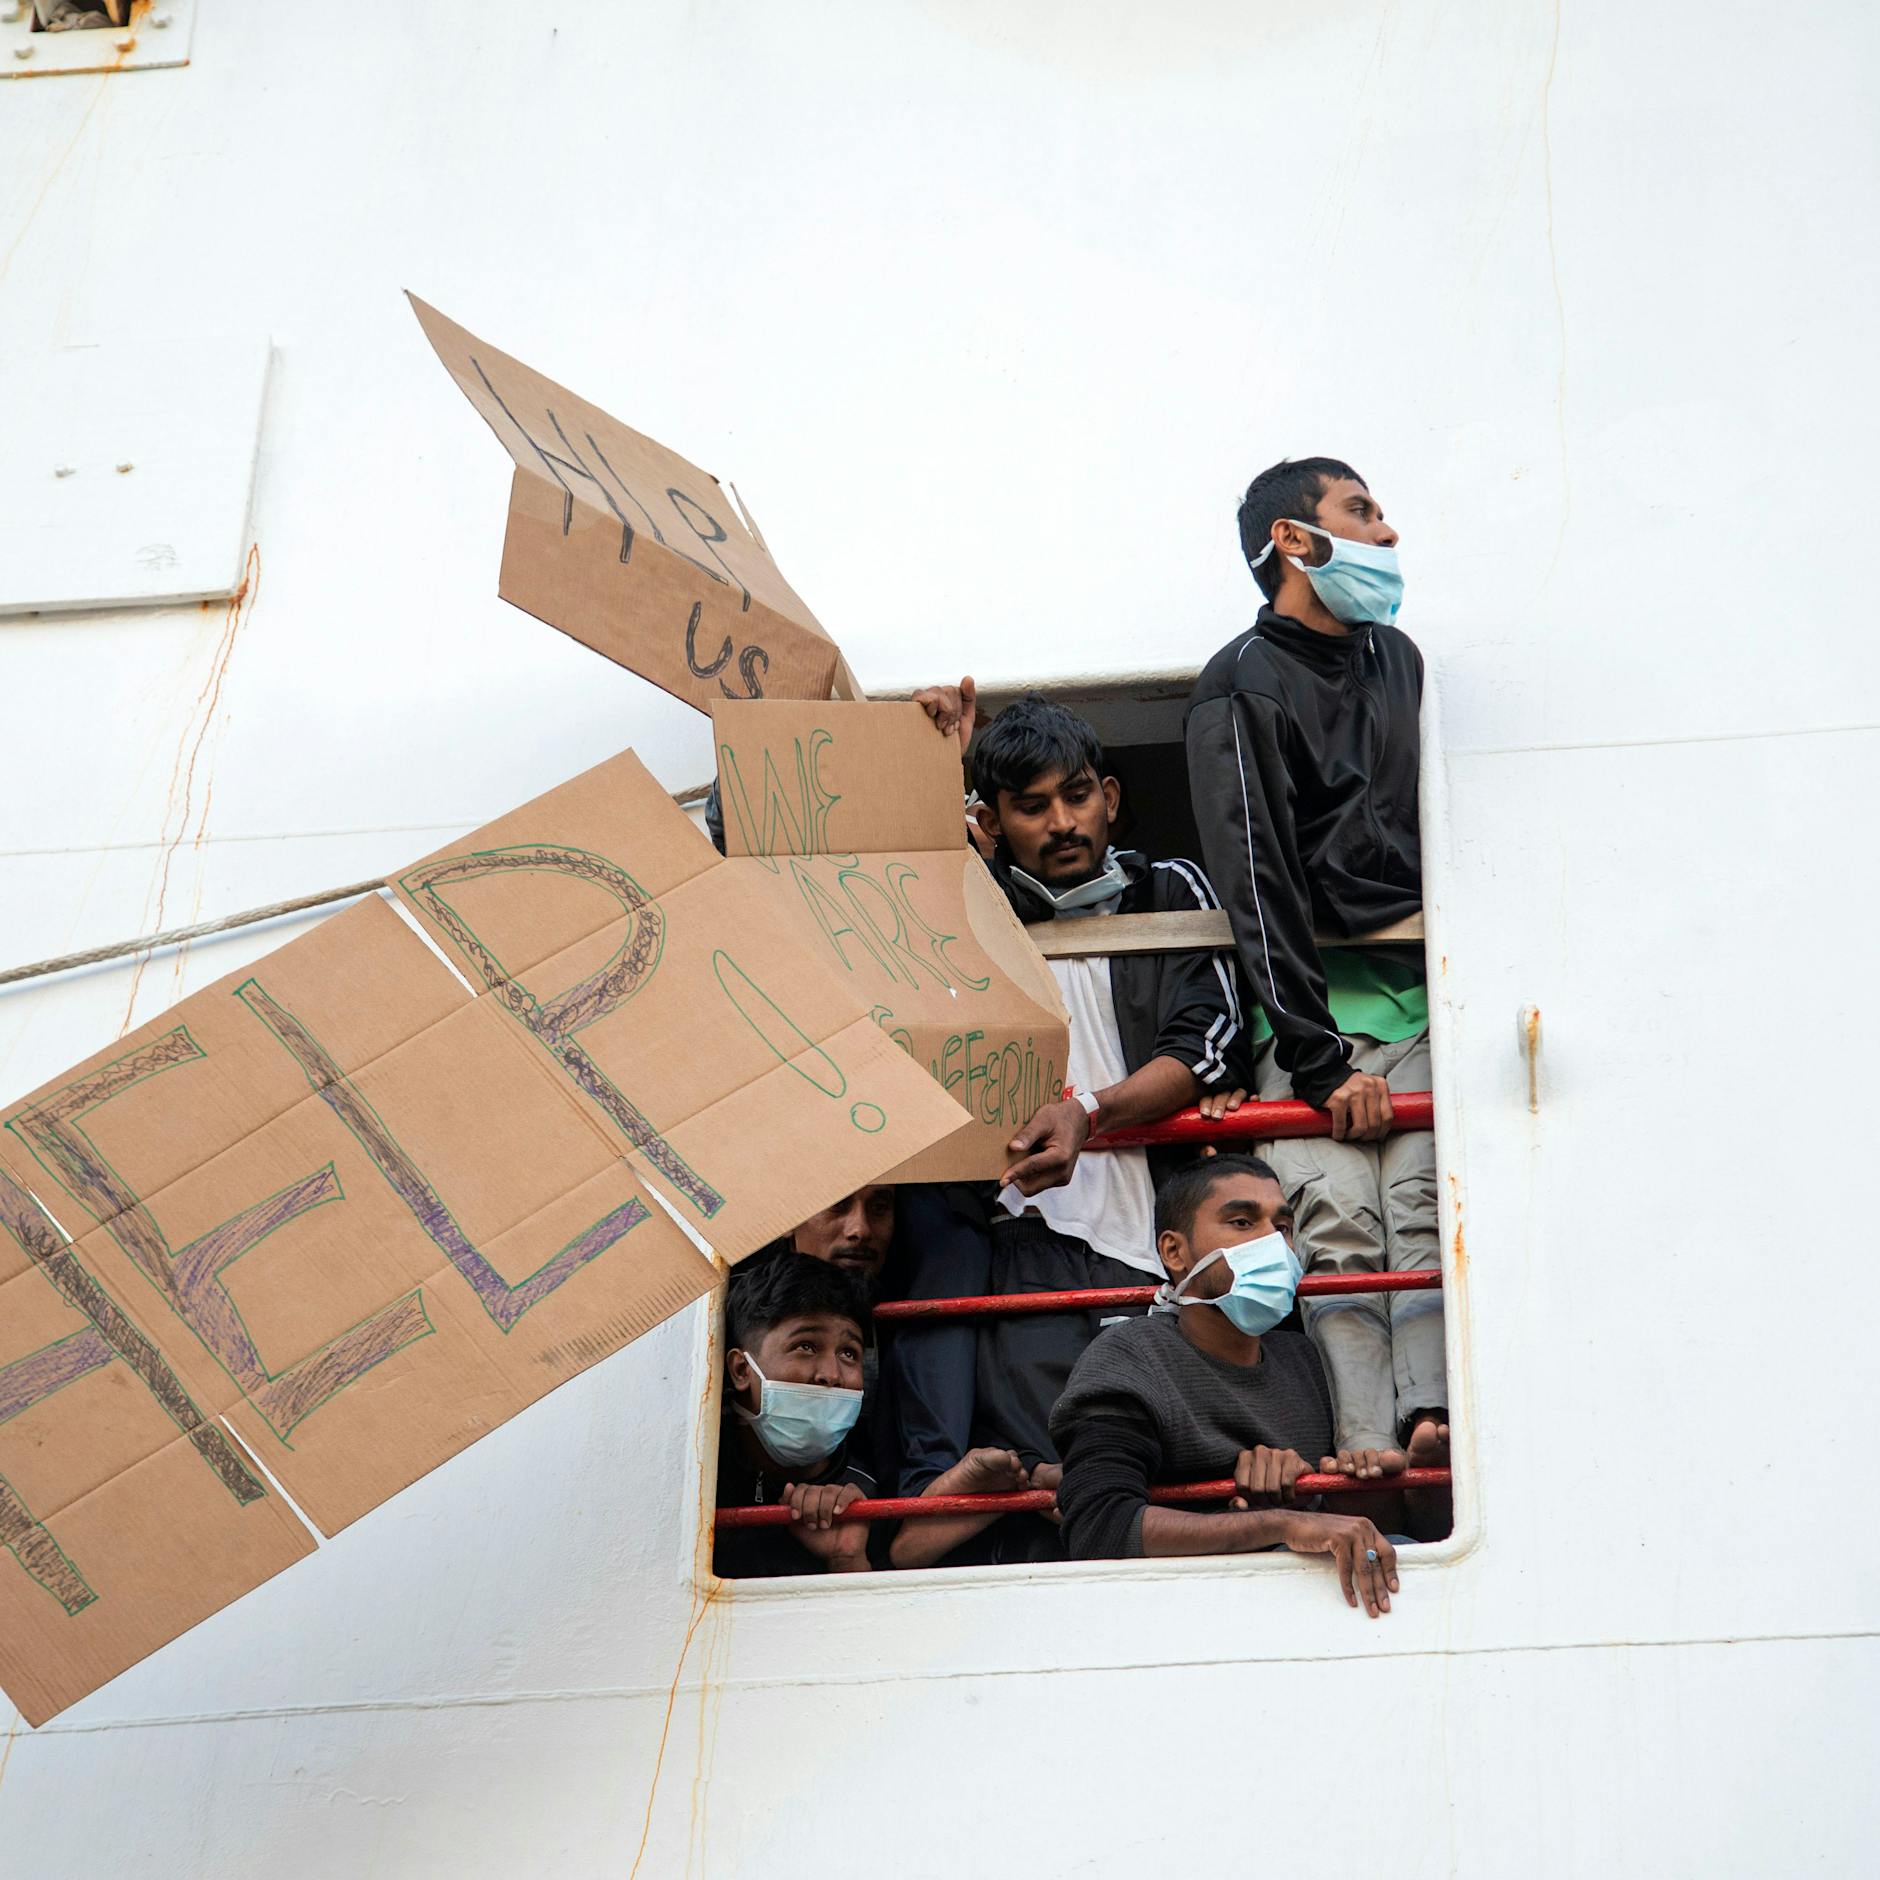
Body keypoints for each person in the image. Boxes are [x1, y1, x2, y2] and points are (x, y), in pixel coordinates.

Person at [1184, 457, 1447, 1518]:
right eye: (1361, 512)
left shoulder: (1399, 661)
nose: (1386, 533)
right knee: (1333, 1227)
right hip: (1306, 1031)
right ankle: (1364, 1444)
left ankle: (1432, 1416)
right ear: (1295, 540)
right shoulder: (1239, 679)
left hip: (1420, 1009)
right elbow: (1255, 878)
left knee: (1422, 1214)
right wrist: (1318, 1059)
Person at [906, 688, 1251, 1473]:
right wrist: (932, 771)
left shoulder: (1170, 888)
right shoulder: (972, 906)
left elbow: (1208, 1045)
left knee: (1159, 1468)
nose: (1062, 822)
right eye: (1031, 807)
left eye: (1077, 795)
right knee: (1048, 1474)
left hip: (1154, 1241)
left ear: (1111, 798)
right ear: (993, 821)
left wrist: (1086, 1115)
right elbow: (889, 904)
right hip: (1022, 1240)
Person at [1050, 1155, 1399, 1616]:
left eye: (1282, 1227)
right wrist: (1281, 1523)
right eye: (1242, 1222)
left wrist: (1357, 1483)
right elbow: (1099, 1529)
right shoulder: (1131, 1357)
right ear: (1174, 1252)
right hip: (1179, 1614)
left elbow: (1366, 1527)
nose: (1273, 1243)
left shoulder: (1305, 1357)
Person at [712, 1253, 880, 1578]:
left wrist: (845, 1557)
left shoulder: (863, 1492)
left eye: (849, 1353)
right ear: (741, 1370)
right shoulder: (700, 1472)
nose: (831, 1374)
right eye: (806, 1346)